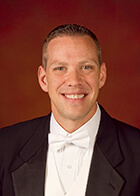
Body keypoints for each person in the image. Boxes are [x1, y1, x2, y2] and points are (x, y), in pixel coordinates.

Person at [0, 24, 139, 196]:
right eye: (60, 68)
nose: (74, 81)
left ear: (101, 76)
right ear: (44, 79)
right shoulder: (4, 147)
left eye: (86, 67)